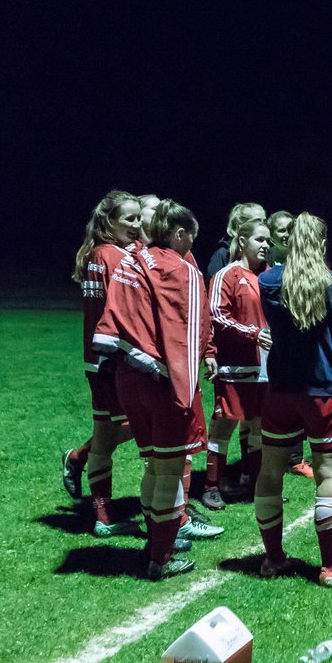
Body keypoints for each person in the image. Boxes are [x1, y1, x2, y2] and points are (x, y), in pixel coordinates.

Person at [94, 199, 225, 580]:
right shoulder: (181, 269)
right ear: (180, 233)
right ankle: (161, 559)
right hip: (162, 382)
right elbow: (189, 332)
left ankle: (154, 546)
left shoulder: (132, 259)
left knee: (154, 467)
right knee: (169, 472)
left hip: (127, 376)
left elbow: (114, 319)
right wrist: (186, 388)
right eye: (191, 239)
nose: (192, 249)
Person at [255, 212, 332, 587]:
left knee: (270, 473)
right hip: (323, 393)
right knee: (328, 475)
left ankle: (272, 559)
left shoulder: (267, 281)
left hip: (280, 391)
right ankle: (331, 567)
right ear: (321, 244)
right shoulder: (331, 284)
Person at [62, 191, 142, 537]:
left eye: (140, 218)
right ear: (110, 221)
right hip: (109, 360)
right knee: (126, 430)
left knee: (125, 430)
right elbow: (115, 312)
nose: (138, 225)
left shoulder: (112, 253)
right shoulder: (107, 257)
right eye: (130, 219)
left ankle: (78, 458)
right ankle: (102, 513)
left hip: (114, 358)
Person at [202, 218, 273, 511]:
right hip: (234, 367)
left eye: (268, 241)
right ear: (242, 241)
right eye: (260, 239)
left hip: (266, 369)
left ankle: (254, 484)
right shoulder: (227, 275)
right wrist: (253, 334)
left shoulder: (272, 276)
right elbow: (217, 315)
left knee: (258, 428)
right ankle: (210, 486)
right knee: (223, 428)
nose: (266, 245)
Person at [207, 202, 266, 279]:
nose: (262, 226)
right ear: (240, 225)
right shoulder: (222, 255)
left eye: (264, 221)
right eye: (257, 221)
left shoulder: (265, 252)